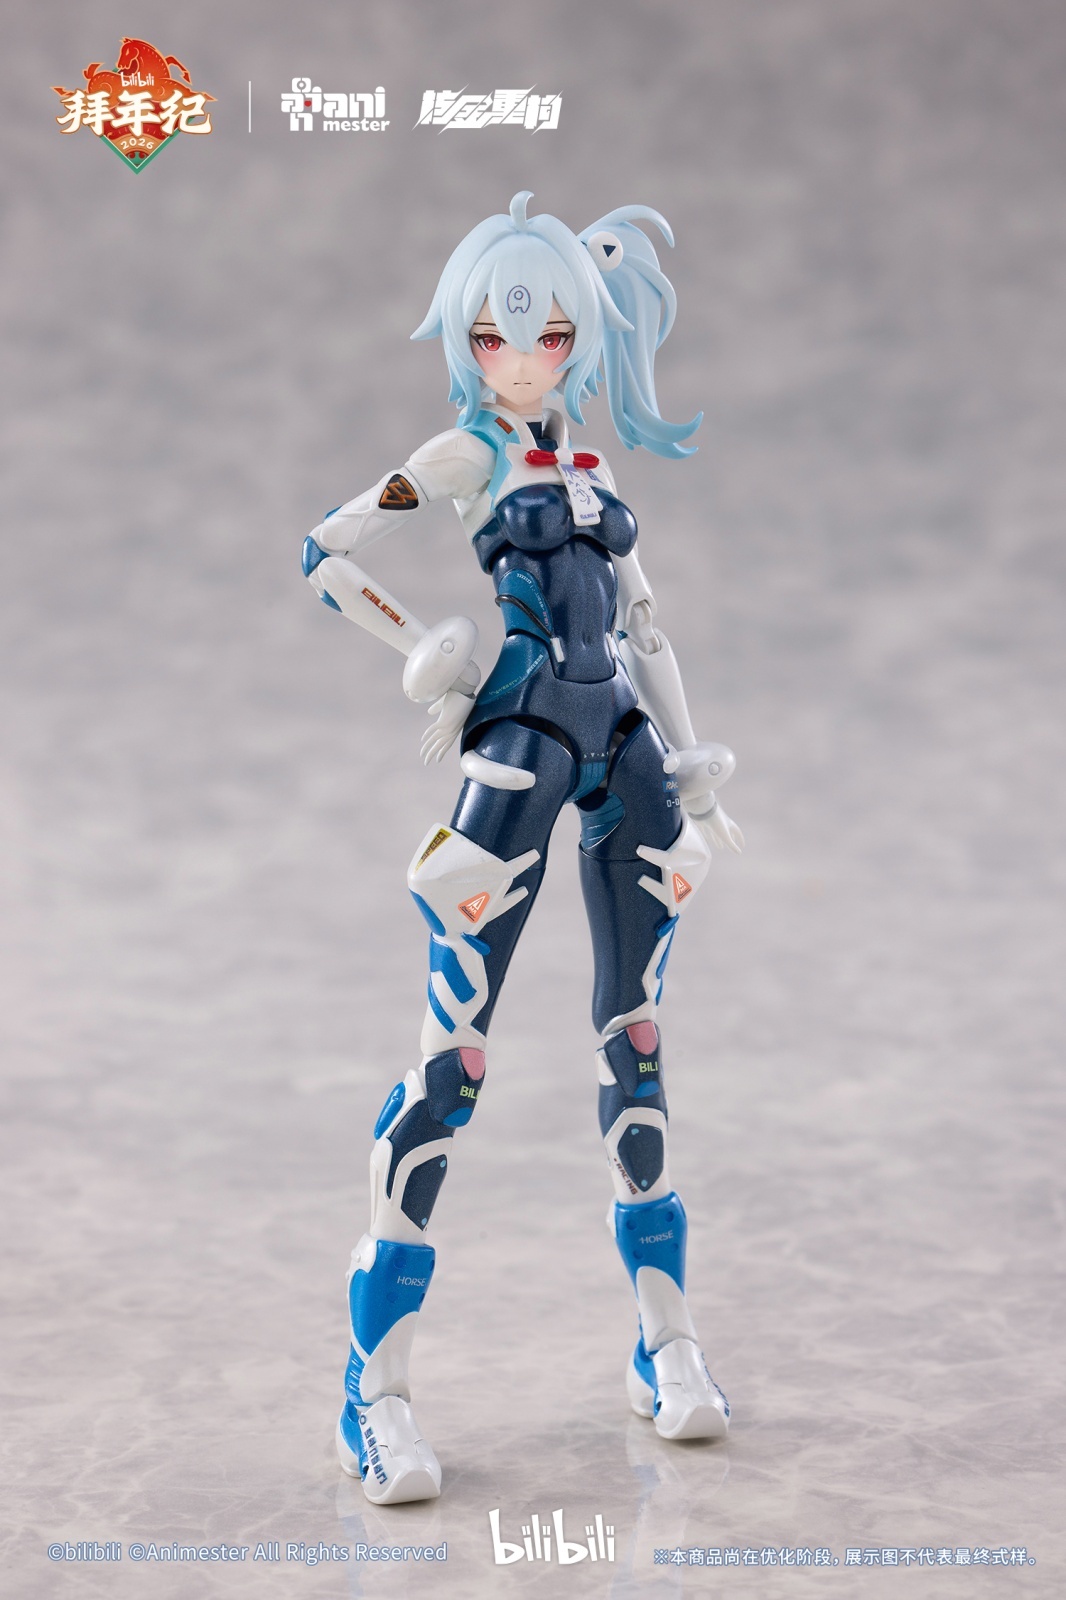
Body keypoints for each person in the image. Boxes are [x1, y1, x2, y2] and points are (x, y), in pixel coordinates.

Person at [302, 192, 742, 1504]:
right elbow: (326, 552)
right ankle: (373, 1391)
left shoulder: (596, 472)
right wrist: (421, 646)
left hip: (627, 752)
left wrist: (693, 758)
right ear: (467, 340)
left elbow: (645, 629)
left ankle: (665, 1342)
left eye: (551, 333)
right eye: (498, 335)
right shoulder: (459, 457)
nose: (525, 355)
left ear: (582, 339)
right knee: (454, 1061)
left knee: (636, 1046)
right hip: (515, 746)